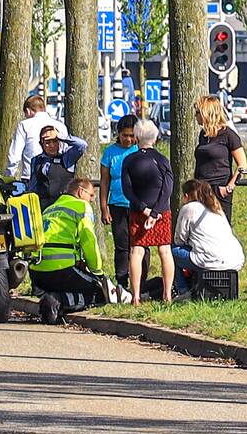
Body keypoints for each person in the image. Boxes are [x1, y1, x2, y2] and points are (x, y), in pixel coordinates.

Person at [30, 178, 129, 324]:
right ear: (80, 192)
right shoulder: (81, 206)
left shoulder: (50, 208)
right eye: (90, 195)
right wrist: (97, 271)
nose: (92, 199)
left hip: (37, 273)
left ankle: (52, 296)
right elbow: (88, 239)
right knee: (99, 293)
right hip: (61, 268)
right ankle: (57, 302)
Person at [121, 118, 175, 304]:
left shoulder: (129, 160)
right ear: (156, 137)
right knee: (165, 251)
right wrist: (156, 212)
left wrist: (144, 210)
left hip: (138, 212)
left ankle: (135, 296)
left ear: (136, 137)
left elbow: (128, 190)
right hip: (162, 212)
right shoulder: (162, 160)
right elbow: (167, 188)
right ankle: (167, 294)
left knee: (136, 251)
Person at [99, 114, 147, 290]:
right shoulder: (110, 153)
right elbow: (104, 181)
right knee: (122, 246)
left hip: (139, 206)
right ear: (118, 134)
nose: (128, 139)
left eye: (132, 135)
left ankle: (141, 282)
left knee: (141, 245)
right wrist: (104, 208)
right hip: (117, 205)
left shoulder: (140, 150)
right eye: (125, 135)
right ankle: (121, 281)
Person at [172, 179, 245, 294]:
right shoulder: (217, 208)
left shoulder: (188, 208)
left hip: (210, 259)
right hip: (235, 260)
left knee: (172, 251)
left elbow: (179, 240)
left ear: (186, 195)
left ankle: (183, 290)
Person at [193, 94, 247, 223]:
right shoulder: (203, 135)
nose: (195, 116)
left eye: (197, 113)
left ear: (207, 113)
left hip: (219, 189)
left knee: (220, 228)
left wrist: (228, 187)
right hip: (201, 189)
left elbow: (242, 165)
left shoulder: (228, 135)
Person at [6, 94, 68, 180]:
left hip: (32, 177)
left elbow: (14, 155)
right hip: (57, 177)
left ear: (28, 111)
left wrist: (9, 176)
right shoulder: (60, 126)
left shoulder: (24, 125)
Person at [27, 126, 88, 209]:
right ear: (42, 144)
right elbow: (33, 184)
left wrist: (61, 137)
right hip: (42, 207)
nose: (52, 145)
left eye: (55, 141)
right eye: (48, 142)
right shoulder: (36, 160)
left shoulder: (67, 158)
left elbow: (82, 145)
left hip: (63, 206)